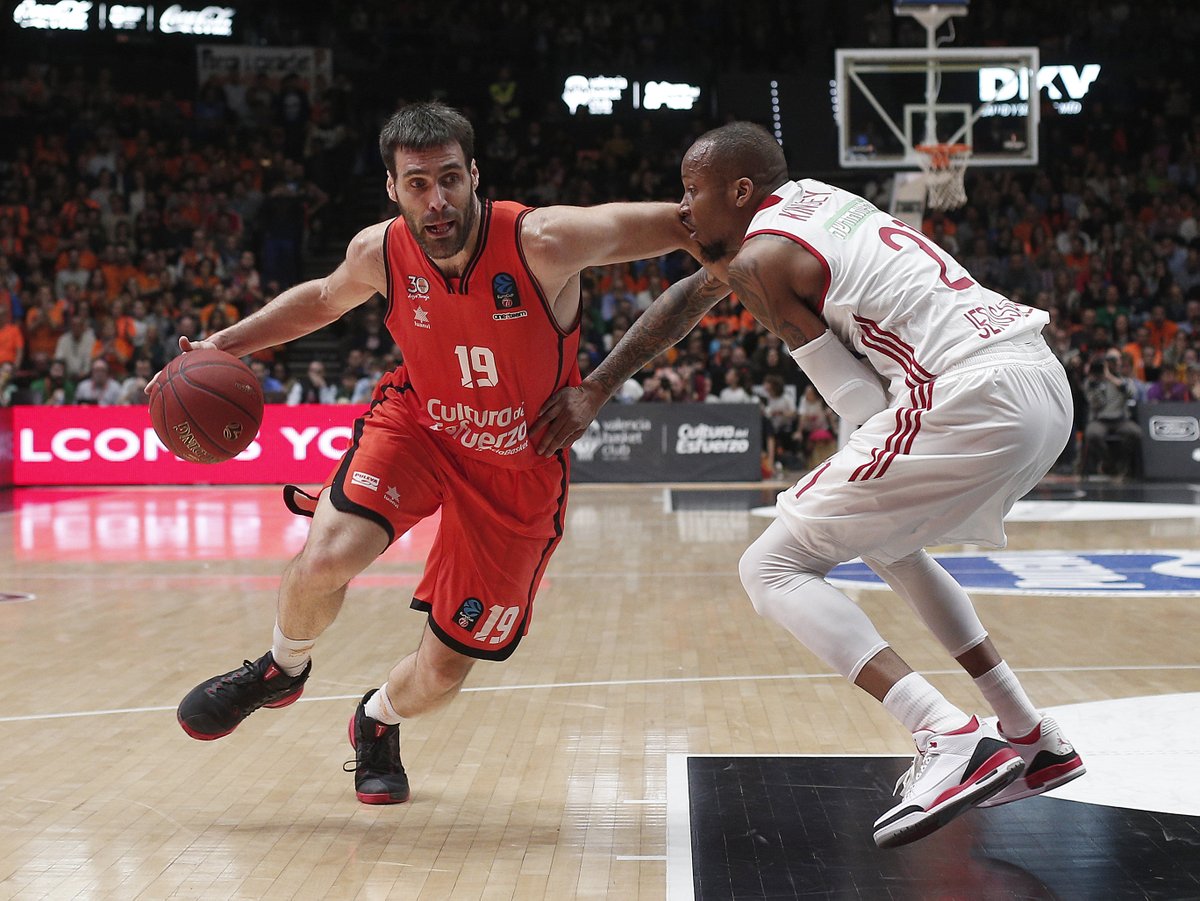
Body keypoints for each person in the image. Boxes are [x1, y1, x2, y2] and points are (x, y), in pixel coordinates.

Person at [534, 122, 1085, 849]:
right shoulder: (818, 202)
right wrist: (597, 388)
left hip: (969, 392)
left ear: (739, 191)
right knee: (887, 542)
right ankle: (1027, 732)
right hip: (1040, 378)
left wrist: (843, 469)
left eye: (692, 192)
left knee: (770, 565)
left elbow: (858, 405)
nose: (683, 209)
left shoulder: (763, 259)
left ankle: (947, 734)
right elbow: (690, 297)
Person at [160, 102, 719, 806]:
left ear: (475, 175)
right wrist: (221, 345)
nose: (439, 199)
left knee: (445, 669)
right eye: (418, 184)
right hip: (419, 424)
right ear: (393, 189)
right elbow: (324, 300)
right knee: (327, 556)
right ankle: (281, 666)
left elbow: (691, 224)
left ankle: (376, 720)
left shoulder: (542, 240)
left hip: (519, 464)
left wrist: (600, 386)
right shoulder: (380, 250)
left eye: (451, 178)